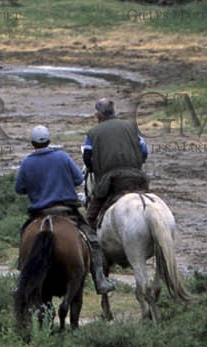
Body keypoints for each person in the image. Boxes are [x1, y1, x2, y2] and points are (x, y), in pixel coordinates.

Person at [15, 124, 115, 294]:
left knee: (25, 236)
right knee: (92, 240)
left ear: (32, 143)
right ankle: (100, 279)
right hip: (67, 211)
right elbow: (78, 179)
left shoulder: (27, 162)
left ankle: (21, 277)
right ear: (49, 141)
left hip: (39, 213)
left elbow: (19, 189)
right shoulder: (62, 157)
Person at [83, 98, 150, 233]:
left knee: (90, 217)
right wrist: (137, 166)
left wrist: (94, 168)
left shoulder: (92, 133)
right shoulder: (132, 127)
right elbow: (144, 151)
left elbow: (87, 157)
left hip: (110, 180)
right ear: (114, 112)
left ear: (98, 115)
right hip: (137, 177)